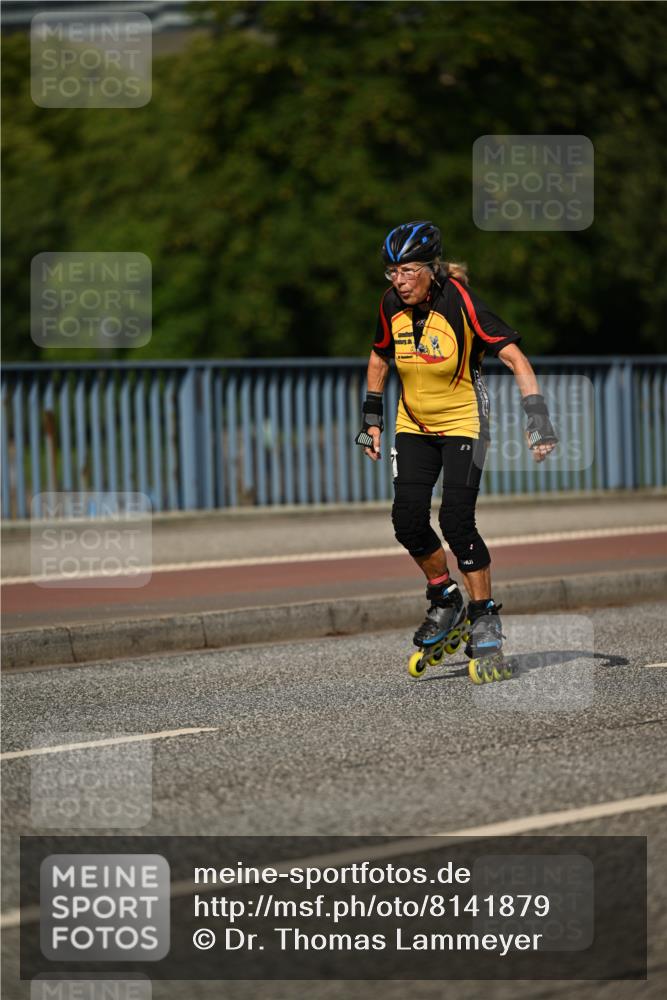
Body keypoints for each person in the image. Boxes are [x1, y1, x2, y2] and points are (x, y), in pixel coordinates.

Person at [355, 220, 558, 674]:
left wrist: (538, 419)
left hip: (465, 422)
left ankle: (484, 616)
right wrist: (371, 421)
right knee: (407, 519)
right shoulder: (390, 304)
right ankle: (445, 597)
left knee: (456, 521)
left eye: (408, 271)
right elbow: (379, 356)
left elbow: (514, 357)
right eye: (392, 272)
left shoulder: (460, 301)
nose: (399, 281)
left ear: (431, 269)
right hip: (413, 424)